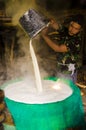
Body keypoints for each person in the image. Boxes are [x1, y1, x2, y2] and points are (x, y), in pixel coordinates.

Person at [41, 14, 84, 83]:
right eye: (71, 26)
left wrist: (44, 36)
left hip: (68, 73)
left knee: (68, 90)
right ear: (70, 23)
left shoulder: (76, 41)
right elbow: (58, 27)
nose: (72, 30)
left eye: (76, 29)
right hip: (60, 69)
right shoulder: (67, 31)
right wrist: (51, 22)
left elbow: (57, 48)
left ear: (80, 30)